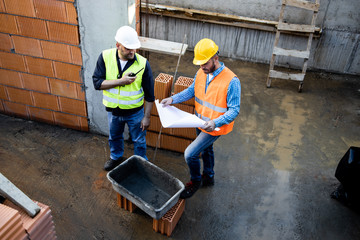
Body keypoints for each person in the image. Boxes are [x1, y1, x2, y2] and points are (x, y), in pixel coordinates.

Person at [161, 38, 241, 199]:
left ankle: (196, 181)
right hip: (199, 122)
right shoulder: (201, 72)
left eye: (205, 63)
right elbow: (191, 91)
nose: (202, 66)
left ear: (215, 58)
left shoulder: (232, 81)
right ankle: (209, 176)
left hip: (214, 127)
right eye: (200, 63)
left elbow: (234, 110)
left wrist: (215, 122)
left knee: (190, 154)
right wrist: (172, 99)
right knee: (206, 149)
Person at [93, 26, 154, 171]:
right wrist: (121, 81)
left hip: (135, 113)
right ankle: (115, 158)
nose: (132, 51)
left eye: (134, 48)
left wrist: (147, 117)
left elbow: (150, 94)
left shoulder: (143, 64)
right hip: (113, 112)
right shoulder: (105, 57)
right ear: (118, 45)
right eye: (128, 48)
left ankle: (140, 163)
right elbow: (97, 83)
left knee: (139, 140)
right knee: (114, 137)